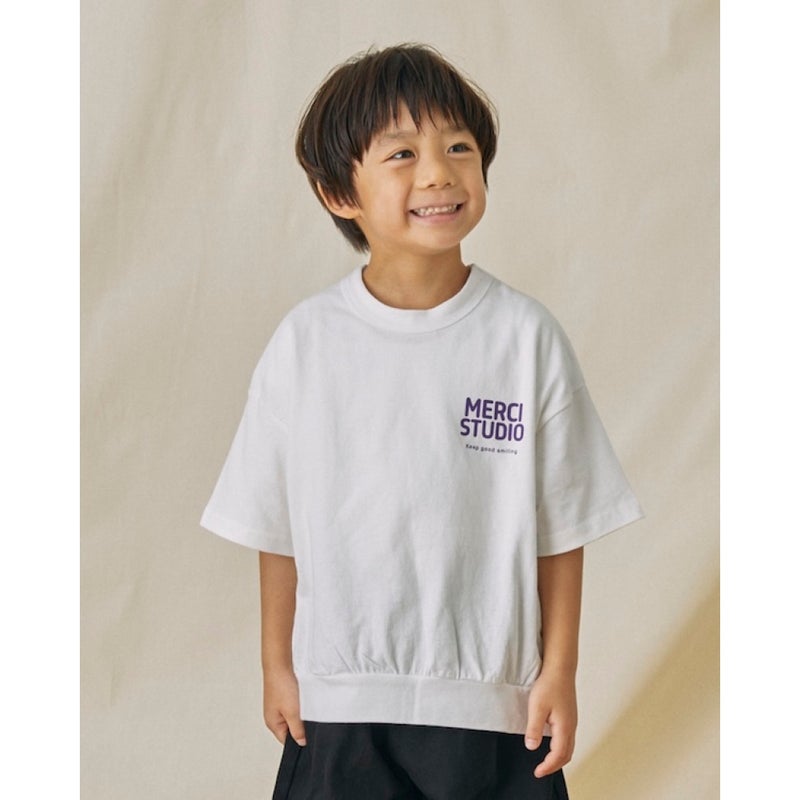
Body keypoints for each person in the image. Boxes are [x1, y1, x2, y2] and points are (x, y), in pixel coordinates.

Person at [201, 43, 644, 799]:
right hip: (342, 702)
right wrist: (277, 664)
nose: (438, 172)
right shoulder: (307, 343)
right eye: (402, 153)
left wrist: (559, 671)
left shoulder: (524, 338)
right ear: (338, 191)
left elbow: (562, 525)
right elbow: (275, 523)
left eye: (459, 148)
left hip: (493, 708)